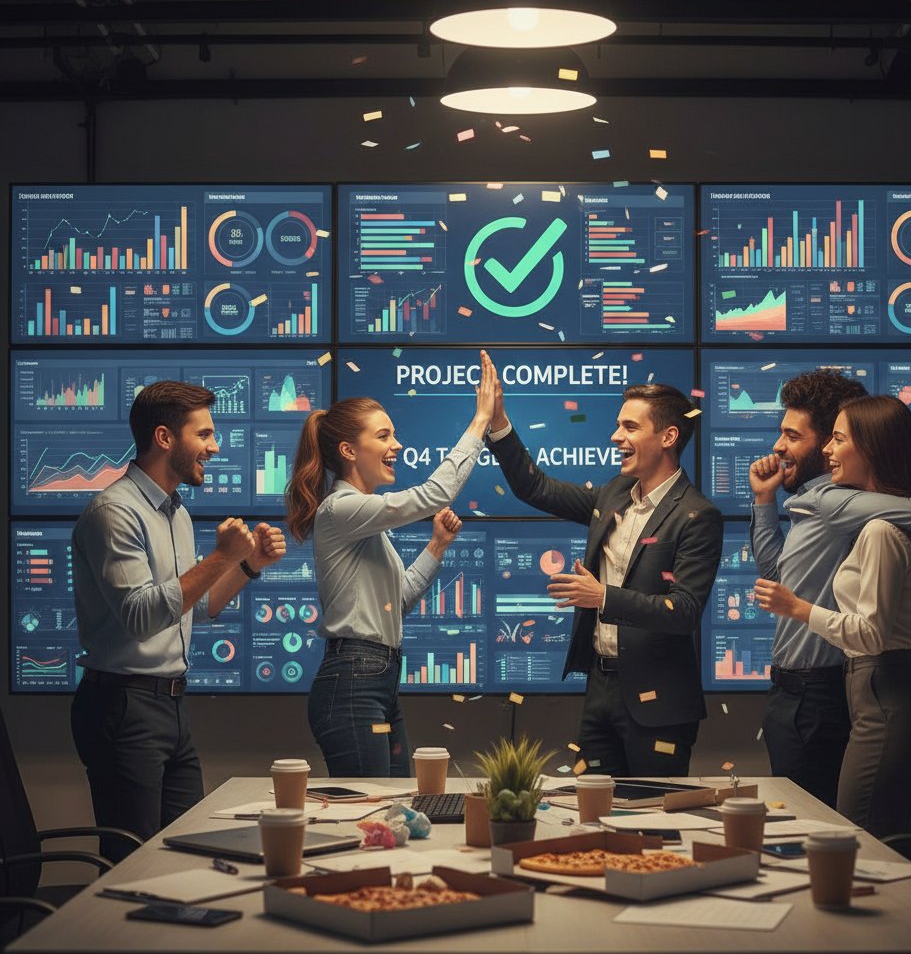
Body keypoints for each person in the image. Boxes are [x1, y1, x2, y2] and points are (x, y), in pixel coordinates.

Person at [71, 381, 287, 860]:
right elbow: (141, 615)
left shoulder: (177, 514)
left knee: (184, 849)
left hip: (170, 705)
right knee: (131, 859)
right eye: (204, 434)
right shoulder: (114, 512)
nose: (215, 446)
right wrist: (221, 557)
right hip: (122, 705)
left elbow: (198, 605)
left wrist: (248, 565)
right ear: (165, 438)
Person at [754, 395, 911, 861]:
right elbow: (782, 570)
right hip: (894, 689)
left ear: (872, 448)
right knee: (900, 851)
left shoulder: (868, 522)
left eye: (837, 439)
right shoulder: (871, 515)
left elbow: (871, 634)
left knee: (863, 853)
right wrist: (764, 501)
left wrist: (799, 609)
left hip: (882, 690)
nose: (829, 450)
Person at [488, 375, 723, 777]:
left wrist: (603, 597)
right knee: (593, 805)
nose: (616, 437)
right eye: (618, 425)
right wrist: (499, 425)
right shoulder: (614, 493)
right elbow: (534, 487)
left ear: (668, 437)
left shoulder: (697, 515)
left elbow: (684, 611)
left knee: (650, 810)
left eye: (630, 427)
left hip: (659, 704)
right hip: (600, 692)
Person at [285, 350, 497, 778]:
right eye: (383, 436)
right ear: (349, 450)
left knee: (396, 802)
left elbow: (397, 600)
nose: (396, 445)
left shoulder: (364, 522)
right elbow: (435, 494)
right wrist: (481, 421)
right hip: (353, 683)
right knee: (369, 804)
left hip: (377, 680)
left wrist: (436, 546)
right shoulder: (341, 508)